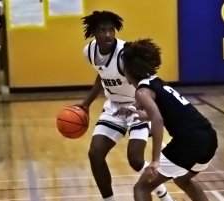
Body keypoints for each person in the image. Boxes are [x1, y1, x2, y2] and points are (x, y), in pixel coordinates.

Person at [76, 11, 174, 201]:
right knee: (95, 154)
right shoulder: (89, 51)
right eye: (102, 30)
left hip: (138, 107)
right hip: (114, 107)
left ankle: (163, 195)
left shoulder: (125, 54)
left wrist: (136, 106)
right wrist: (86, 103)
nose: (107, 34)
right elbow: (101, 74)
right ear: (93, 32)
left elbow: (148, 82)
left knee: (135, 159)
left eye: (111, 30)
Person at [120, 38, 218, 201]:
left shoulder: (142, 91)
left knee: (142, 187)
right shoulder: (156, 81)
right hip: (208, 137)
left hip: (189, 141)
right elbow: (162, 112)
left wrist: (156, 160)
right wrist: (136, 111)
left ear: (129, 70)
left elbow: (157, 119)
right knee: (183, 179)